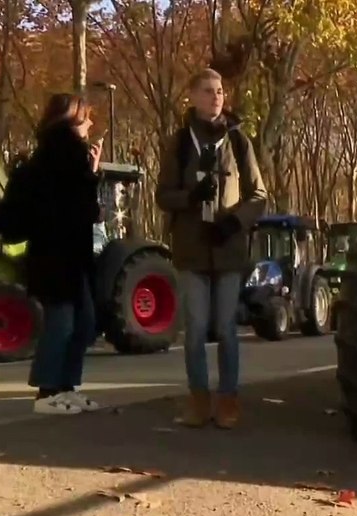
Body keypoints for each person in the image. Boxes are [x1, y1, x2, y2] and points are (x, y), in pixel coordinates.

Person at [155, 68, 268, 429]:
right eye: (207, 90)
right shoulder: (180, 142)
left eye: (219, 90)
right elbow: (163, 195)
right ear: (192, 96)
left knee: (226, 328)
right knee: (196, 327)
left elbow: (258, 194)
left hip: (229, 248)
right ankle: (198, 400)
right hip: (191, 248)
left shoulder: (238, 141)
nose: (216, 96)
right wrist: (190, 197)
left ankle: (229, 400)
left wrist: (235, 222)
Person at [21, 93, 104, 415]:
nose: (91, 124)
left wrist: (91, 173)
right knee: (62, 323)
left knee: (85, 322)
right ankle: (46, 391)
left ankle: (67, 387)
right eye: (86, 118)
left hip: (75, 255)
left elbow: (83, 205)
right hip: (53, 256)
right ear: (70, 121)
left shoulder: (75, 159)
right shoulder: (48, 159)